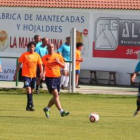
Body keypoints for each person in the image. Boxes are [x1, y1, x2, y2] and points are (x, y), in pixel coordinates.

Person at [42, 43, 69, 118]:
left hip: (57, 77)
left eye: (52, 47)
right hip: (49, 78)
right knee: (55, 94)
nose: (51, 48)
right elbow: (44, 66)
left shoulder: (58, 56)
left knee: (56, 96)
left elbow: (63, 66)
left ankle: (47, 108)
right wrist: (43, 74)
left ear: (54, 48)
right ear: (47, 48)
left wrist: (58, 62)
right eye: (49, 47)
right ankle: (61, 111)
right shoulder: (44, 57)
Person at [14, 42, 43, 111]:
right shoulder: (24, 55)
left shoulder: (37, 55)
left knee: (31, 91)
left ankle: (28, 106)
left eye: (33, 47)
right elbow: (19, 64)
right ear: (28, 48)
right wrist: (16, 72)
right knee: (28, 89)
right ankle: (32, 104)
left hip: (33, 75)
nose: (31, 48)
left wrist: (41, 72)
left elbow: (40, 64)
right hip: (26, 75)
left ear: (35, 48)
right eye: (30, 47)